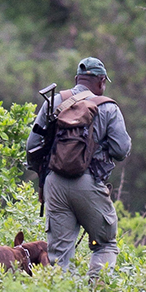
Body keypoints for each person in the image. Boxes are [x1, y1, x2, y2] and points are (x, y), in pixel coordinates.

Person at [26, 57, 131, 277]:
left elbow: (32, 147)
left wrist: (44, 179)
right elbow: (121, 150)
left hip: (54, 184)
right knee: (105, 244)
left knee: (59, 256)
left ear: (76, 79)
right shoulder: (108, 107)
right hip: (89, 181)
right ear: (101, 82)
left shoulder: (53, 101)